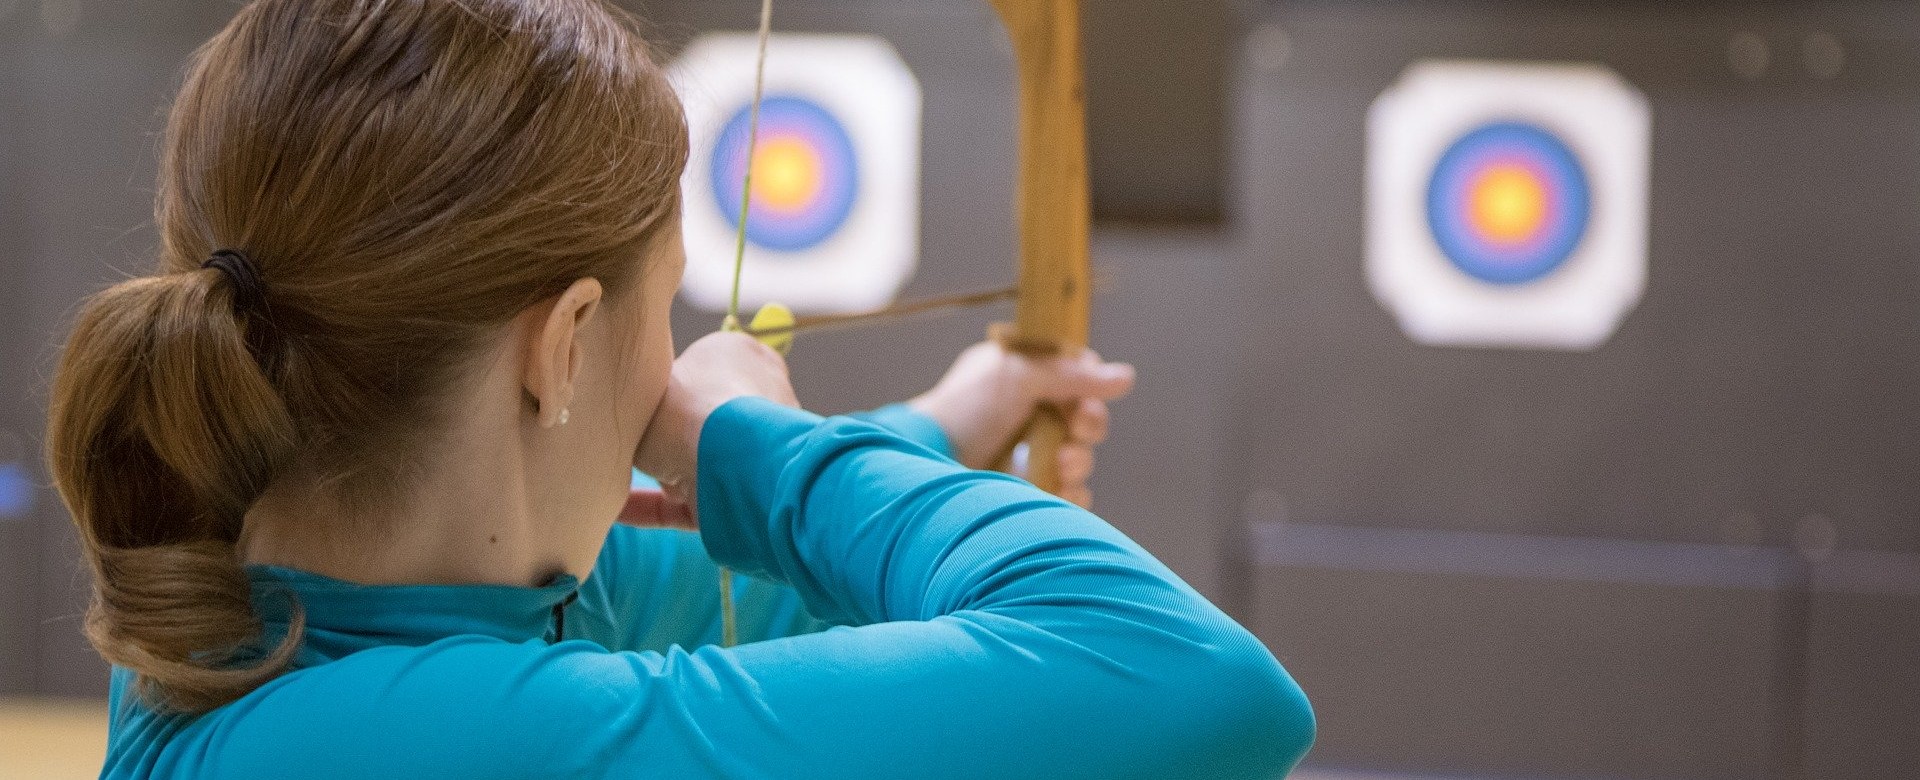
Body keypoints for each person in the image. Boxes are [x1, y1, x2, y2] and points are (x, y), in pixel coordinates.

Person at [43, 0, 1314, 777]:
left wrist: (939, 429)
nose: (676, 364)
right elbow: (1196, 678)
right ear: (563, 346)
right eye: (670, 309)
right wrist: (753, 441)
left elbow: (696, 583)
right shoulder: (464, 739)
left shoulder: (246, 602)